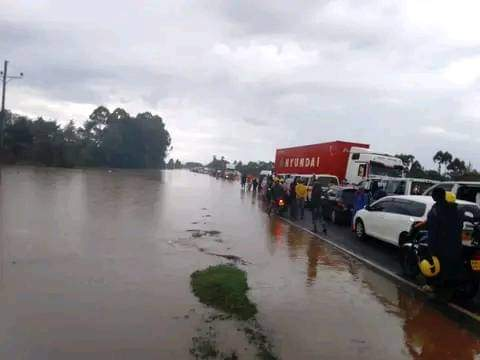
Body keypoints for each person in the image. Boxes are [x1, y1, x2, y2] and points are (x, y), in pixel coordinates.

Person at [425, 188, 463, 286]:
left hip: (440, 245)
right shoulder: (458, 210)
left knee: (435, 266)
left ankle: (433, 286)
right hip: (456, 244)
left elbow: (433, 230)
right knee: (449, 267)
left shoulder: (436, 210)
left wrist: (431, 248)